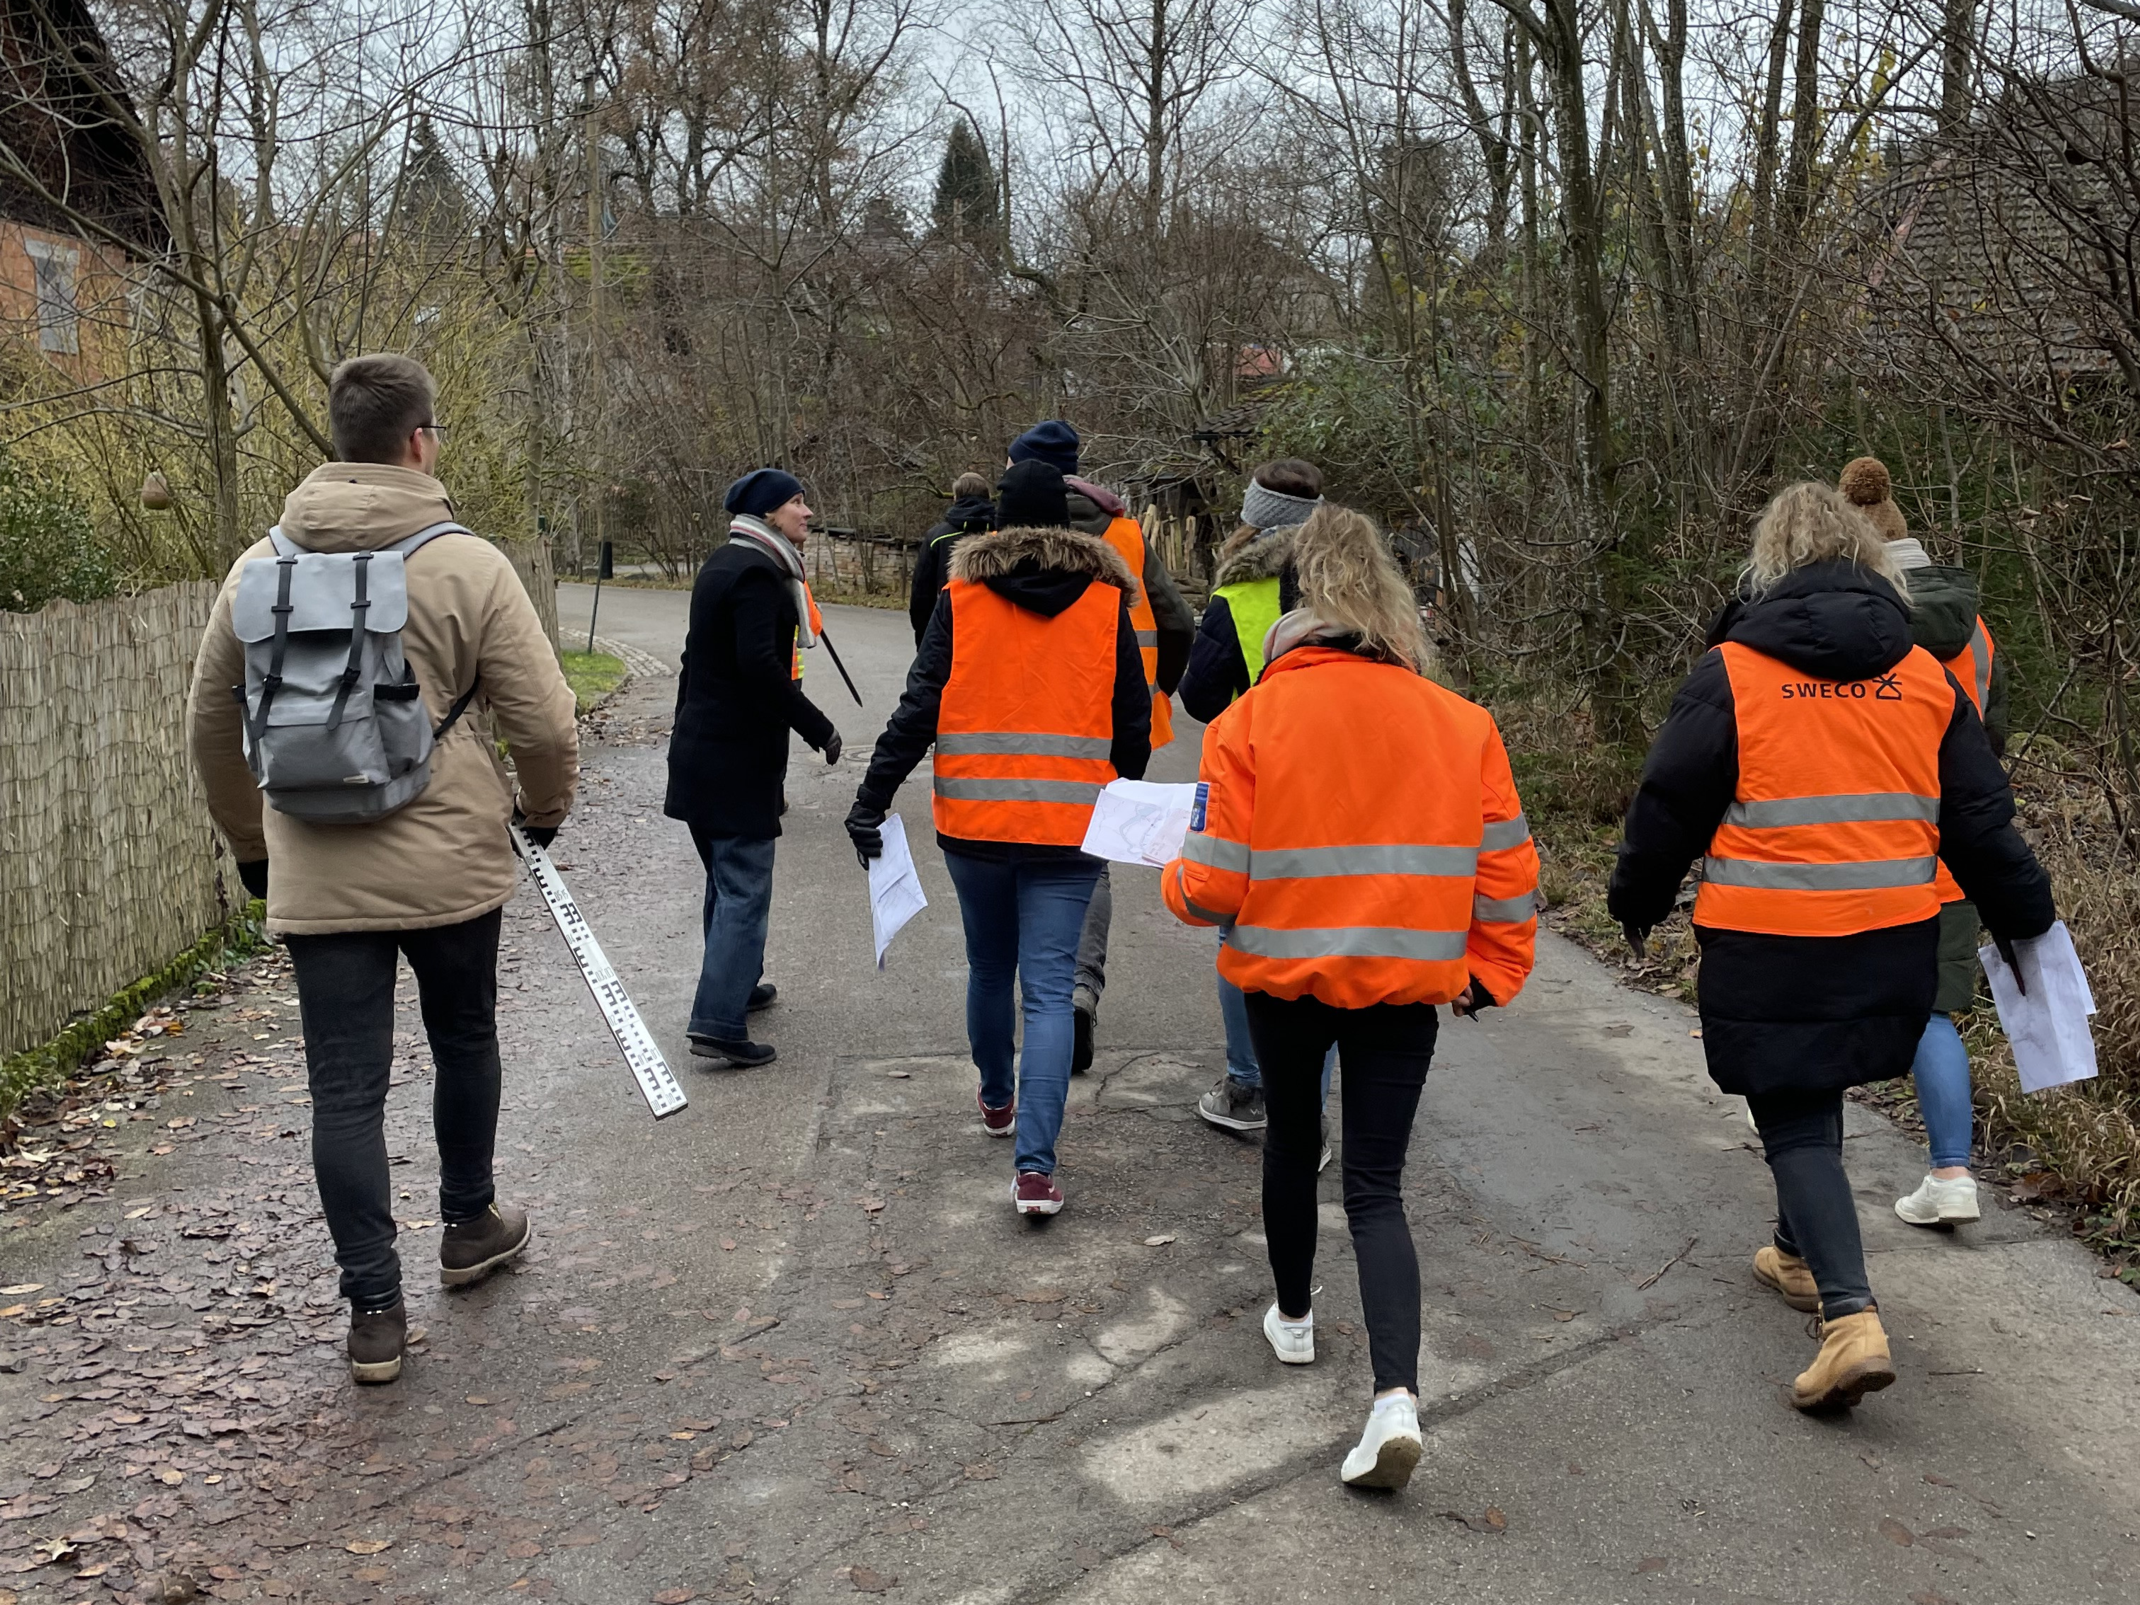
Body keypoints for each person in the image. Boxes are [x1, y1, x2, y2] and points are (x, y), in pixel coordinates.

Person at [1608, 482, 2053, 1412]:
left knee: (1794, 1111)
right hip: (1892, 938)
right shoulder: (1925, 675)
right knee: (1815, 1080)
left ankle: (1850, 1319)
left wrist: (1635, 899)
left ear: (1769, 565)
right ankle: (1797, 1253)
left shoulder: (1734, 671)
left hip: (1771, 937)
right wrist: (2029, 914)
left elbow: (1667, 807)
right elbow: (1980, 820)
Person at [187, 353, 579, 1385]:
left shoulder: (256, 567)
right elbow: (542, 722)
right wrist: (541, 815)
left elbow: (209, 730)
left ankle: (373, 1313)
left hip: (317, 872)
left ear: (339, 443)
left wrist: (256, 850)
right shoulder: (468, 565)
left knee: (345, 1092)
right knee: (464, 1038)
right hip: (449, 858)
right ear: (419, 441)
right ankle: (468, 1225)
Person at [1161, 504, 1538, 1488]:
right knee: (1376, 1186)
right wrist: (1490, 973)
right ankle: (1395, 1400)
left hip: (1283, 986)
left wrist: (1170, 878)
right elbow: (1506, 872)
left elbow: (1208, 885)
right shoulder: (1461, 725)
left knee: (1292, 1139)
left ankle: (1291, 1319)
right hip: (1403, 989)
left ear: (1294, 609)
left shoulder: (1248, 720)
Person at [845, 459, 1151, 1217]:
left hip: (975, 824)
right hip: (1071, 827)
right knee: (1050, 993)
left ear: (1001, 523)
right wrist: (1123, 793)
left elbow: (920, 706)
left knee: (989, 968)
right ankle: (1036, 1172)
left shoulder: (962, 597)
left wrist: (871, 797)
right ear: (1068, 523)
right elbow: (1132, 716)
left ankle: (994, 1097)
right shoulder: (1105, 600)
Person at [1841, 457, 2009, 1226]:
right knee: (1933, 1010)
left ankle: (1804, 1129)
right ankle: (1951, 1173)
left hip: (1862, 844)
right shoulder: (1977, 632)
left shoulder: (1855, 626)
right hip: (1952, 847)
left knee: (1822, 985)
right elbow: (1993, 739)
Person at [1001, 421, 1196, 1071]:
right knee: (1094, 853)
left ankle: (1031, 998)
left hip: (1026, 711)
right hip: (1117, 715)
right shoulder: (1126, 531)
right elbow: (1177, 619)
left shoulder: (1008, 529)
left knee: (1020, 852)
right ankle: (1078, 992)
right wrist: (1158, 687)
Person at [1176, 460, 1333, 1137]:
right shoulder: (1352, 586)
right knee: (1325, 938)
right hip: (1340, 784)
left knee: (1241, 928)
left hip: (1260, 783)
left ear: (1255, 518)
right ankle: (1310, 1105)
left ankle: (1249, 1085)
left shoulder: (1239, 595)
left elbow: (1199, 695)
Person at [665, 469, 842, 1067]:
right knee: (743, 885)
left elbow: (698, 662)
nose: (808, 512)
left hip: (702, 754)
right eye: (798, 502)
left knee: (725, 877)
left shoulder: (722, 564)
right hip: (735, 758)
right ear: (769, 513)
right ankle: (717, 1021)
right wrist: (819, 728)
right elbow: (762, 671)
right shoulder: (758, 575)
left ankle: (736, 983)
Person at [908, 471, 995, 648]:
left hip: (947, 629)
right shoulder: (1004, 534)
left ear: (956, 498)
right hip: (992, 631)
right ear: (988, 497)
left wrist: (924, 640)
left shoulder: (937, 537)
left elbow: (921, 594)